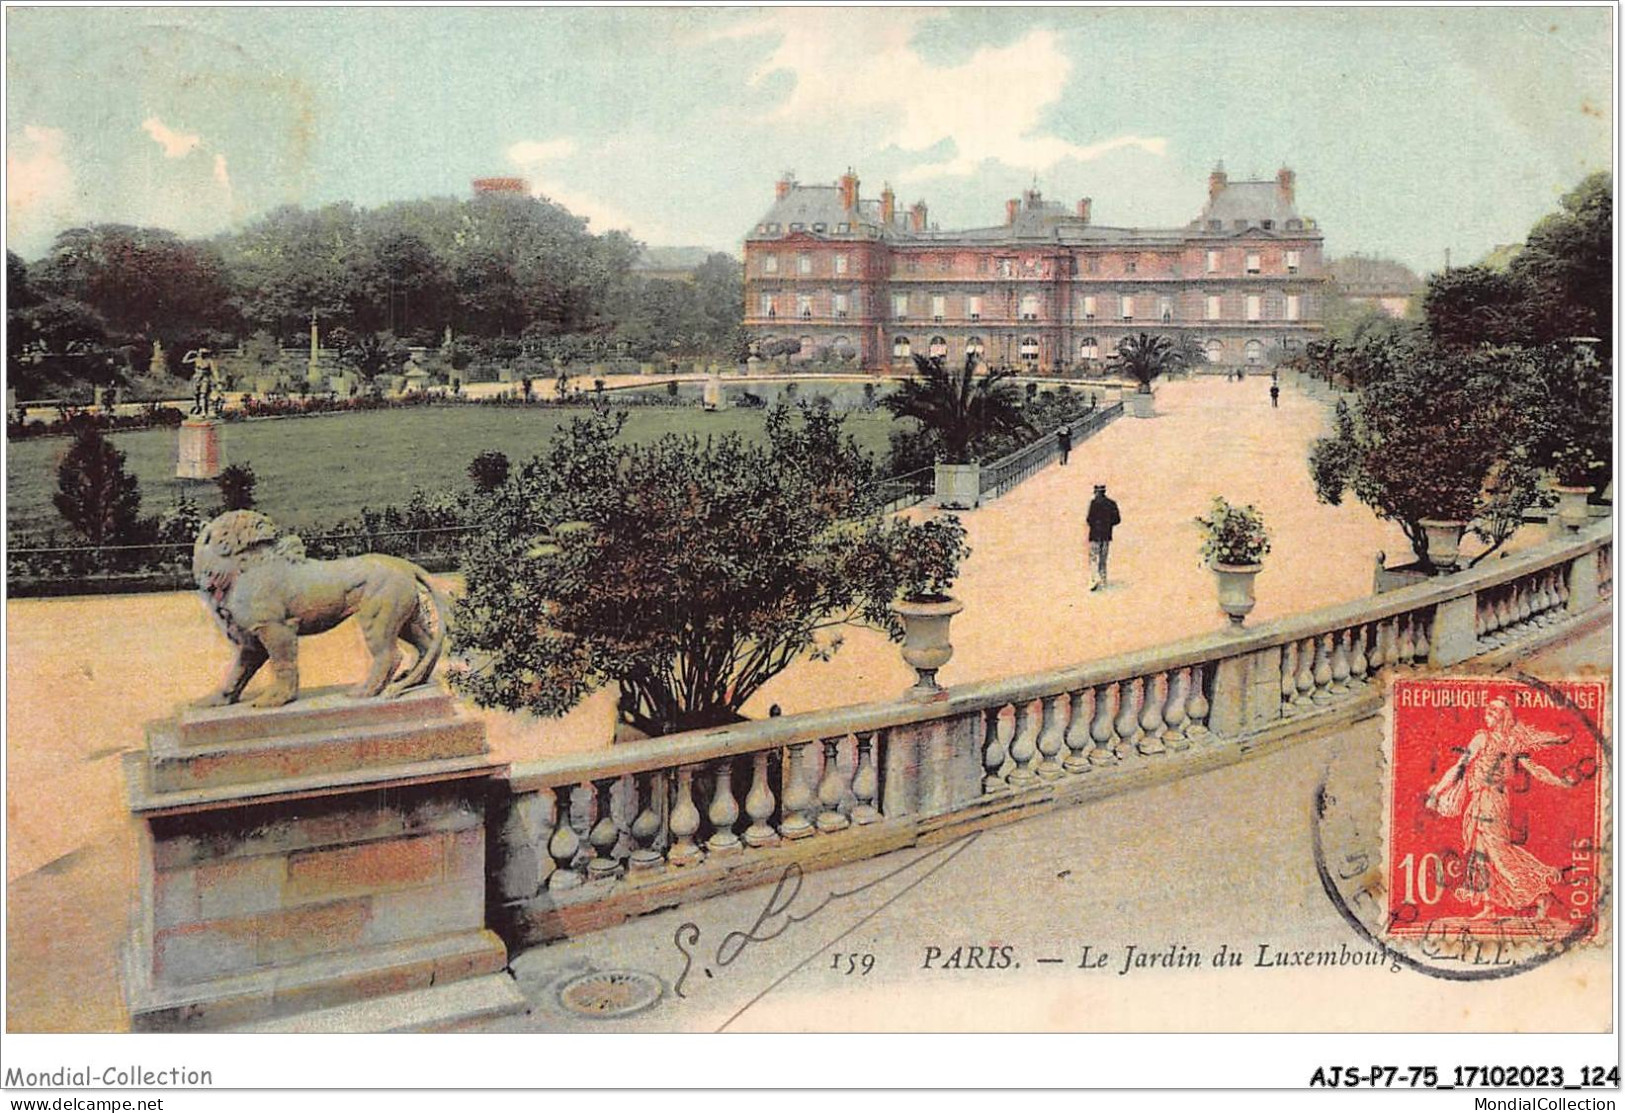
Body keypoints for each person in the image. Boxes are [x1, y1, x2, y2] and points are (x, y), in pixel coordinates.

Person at [1425, 697, 1576, 920]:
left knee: (1499, 853)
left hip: (1493, 802)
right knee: (1480, 854)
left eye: (1495, 709)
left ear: (1505, 716)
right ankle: (1489, 907)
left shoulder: (1510, 743)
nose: (1489, 711)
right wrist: (1437, 793)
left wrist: (1560, 782)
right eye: (1489, 708)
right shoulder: (1482, 738)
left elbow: (1535, 769)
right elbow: (1460, 767)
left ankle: (1539, 895)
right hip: (1478, 800)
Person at [1086, 483, 1121, 591]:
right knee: (1103, 558)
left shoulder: (1093, 503)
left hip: (1094, 535)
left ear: (1096, 492)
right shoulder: (1111, 504)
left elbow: (1089, 519)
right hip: (1106, 535)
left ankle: (1093, 579)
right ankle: (1103, 579)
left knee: (1093, 557)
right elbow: (1117, 520)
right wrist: (1108, 524)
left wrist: (1095, 525)